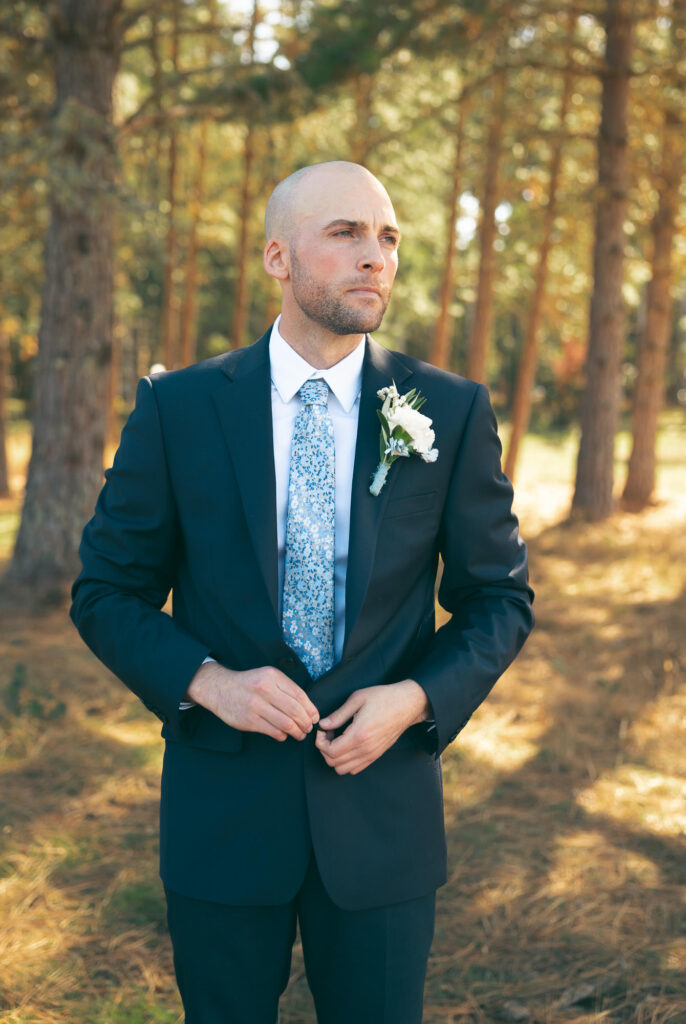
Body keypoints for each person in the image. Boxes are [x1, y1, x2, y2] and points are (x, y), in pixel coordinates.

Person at [71, 160, 534, 1024]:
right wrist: (207, 681)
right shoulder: (180, 408)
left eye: (388, 237)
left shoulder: (449, 408)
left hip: (383, 821)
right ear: (278, 259)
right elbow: (105, 592)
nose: (376, 257)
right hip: (223, 819)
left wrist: (416, 699)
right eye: (346, 233)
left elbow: (499, 599)